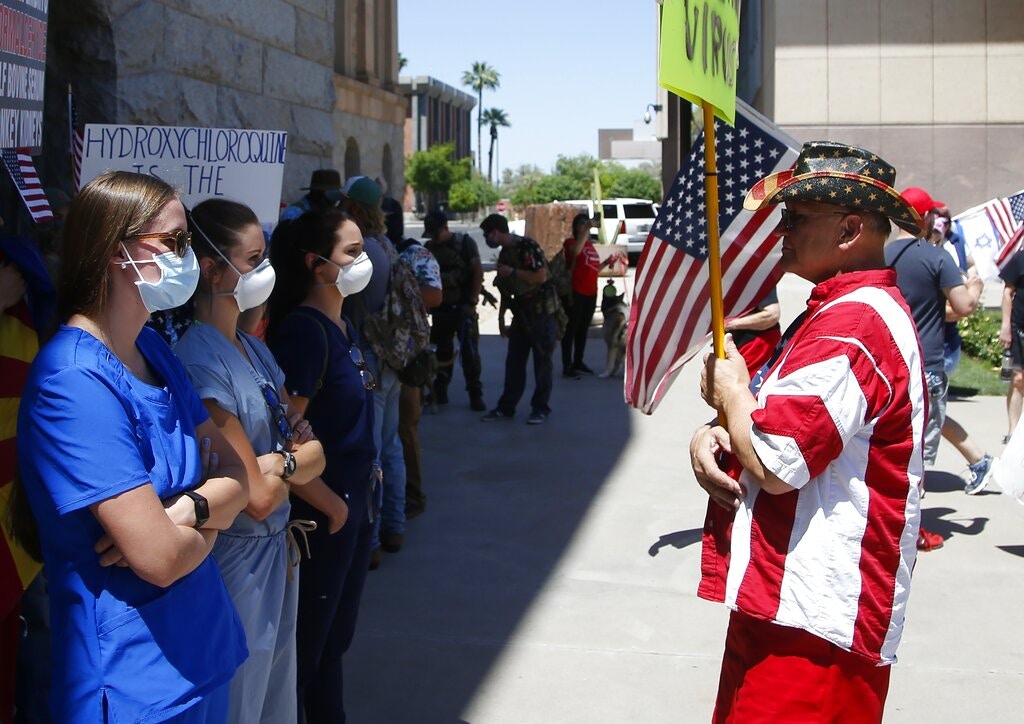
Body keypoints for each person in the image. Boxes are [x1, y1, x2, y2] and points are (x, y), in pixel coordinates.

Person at [690, 142, 926, 722]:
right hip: (788, 602)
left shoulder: (855, 321)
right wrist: (714, 432)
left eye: (795, 217)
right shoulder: (834, 313)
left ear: (850, 229)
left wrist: (732, 394)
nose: (781, 230)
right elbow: (774, 424)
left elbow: (775, 460)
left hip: (817, 621)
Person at [16, 171, 250, 723]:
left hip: (201, 654)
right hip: (133, 688)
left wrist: (188, 512)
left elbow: (239, 477)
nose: (187, 257)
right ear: (114, 251)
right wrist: (205, 523)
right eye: (173, 242)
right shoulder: (72, 382)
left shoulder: (151, 347)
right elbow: (160, 559)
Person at [174, 198, 330, 723]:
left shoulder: (252, 347)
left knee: (274, 702)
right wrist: (287, 462)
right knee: (240, 702)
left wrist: (274, 463)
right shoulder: (198, 358)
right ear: (212, 267)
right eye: (252, 259)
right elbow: (257, 499)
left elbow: (315, 456)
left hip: (278, 558)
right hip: (237, 562)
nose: (265, 272)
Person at [266, 208, 377, 723]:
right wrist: (333, 508)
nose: (364, 260)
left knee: (334, 640)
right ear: (316, 264)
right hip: (327, 511)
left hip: (355, 500)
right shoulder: (305, 333)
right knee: (308, 646)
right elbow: (284, 443)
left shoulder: (342, 323)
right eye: (352, 252)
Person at [898, 188, 994, 496]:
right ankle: (916, 529)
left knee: (896, 442)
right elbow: (963, 307)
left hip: (891, 364)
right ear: (924, 218)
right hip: (927, 365)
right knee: (920, 451)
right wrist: (976, 287)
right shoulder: (937, 257)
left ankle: (979, 461)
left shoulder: (878, 257)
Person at [341, 175, 408, 565]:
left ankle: (372, 541)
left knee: (373, 451)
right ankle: (394, 525)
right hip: (390, 356)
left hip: (368, 354)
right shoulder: (385, 245)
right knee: (391, 445)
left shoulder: (361, 250)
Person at [480, 213, 558, 425]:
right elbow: (507, 289)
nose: (487, 238)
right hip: (521, 312)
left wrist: (513, 271)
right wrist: (501, 318)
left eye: (488, 234)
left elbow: (540, 276)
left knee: (542, 363)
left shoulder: (527, 246)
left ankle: (540, 408)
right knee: (514, 362)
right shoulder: (505, 253)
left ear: (496, 232)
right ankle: (507, 407)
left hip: (541, 313)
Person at [393, 219, 442, 520]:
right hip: (377, 353)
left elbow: (434, 296)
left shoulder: (415, 255)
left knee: (406, 427)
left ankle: (413, 494)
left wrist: (398, 295)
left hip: (408, 356)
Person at [423, 209, 486, 409]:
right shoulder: (429, 248)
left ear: (445, 228)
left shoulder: (464, 243)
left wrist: (472, 301)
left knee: (469, 354)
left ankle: (475, 393)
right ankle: (440, 390)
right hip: (441, 310)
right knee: (442, 353)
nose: (434, 237)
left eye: (436, 233)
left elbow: (477, 272)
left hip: (463, 307)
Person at [560, 212, 626, 379]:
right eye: (582, 223)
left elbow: (592, 269)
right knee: (571, 329)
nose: (586, 225)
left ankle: (578, 361)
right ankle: (567, 365)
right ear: (576, 227)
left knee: (583, 329)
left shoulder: (590, 245)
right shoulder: (571, 243)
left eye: (587, 222)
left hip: (591, 292)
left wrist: (606, 263)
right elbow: (575, 252)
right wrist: (586, 230)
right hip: (575, 292)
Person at [723, 287, 782, 380]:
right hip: (738, 344)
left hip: (757, 344)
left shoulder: (757, 276)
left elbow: (772, 314)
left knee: (748, 388)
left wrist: (728, 324)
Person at [1000, 244, 1024, 443]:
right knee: (1018, 380)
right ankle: (1013, 431)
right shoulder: (1019, 259)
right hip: (1019, 327)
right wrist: (1006, 325)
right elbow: (1008, 292)